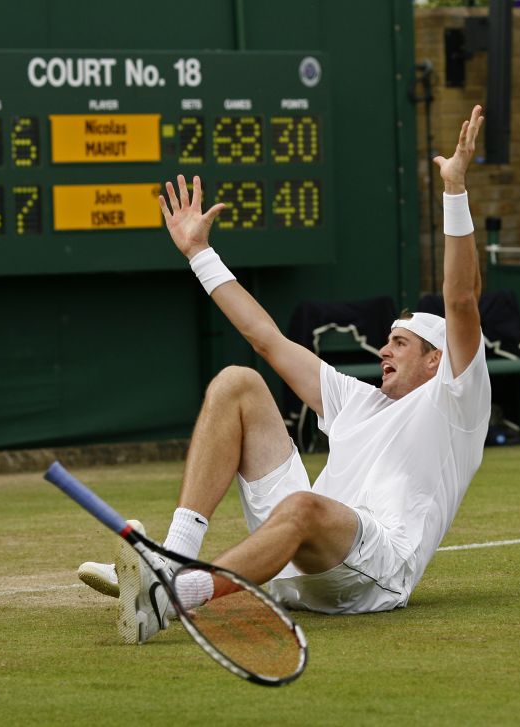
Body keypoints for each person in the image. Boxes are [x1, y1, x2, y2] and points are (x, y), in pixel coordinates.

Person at [77, 107, 492, 644]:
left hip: (373, 573)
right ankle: (172, 562)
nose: (384, 350)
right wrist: (200, 253)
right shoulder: (358, 401)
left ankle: (173, 596)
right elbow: (265, 338)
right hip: (302, 564)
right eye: (387, 340)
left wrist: (454, 191)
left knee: (302, 506)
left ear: (436, 360)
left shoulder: (456, 400)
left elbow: (460, 298)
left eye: (400, 343)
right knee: (237, 382)